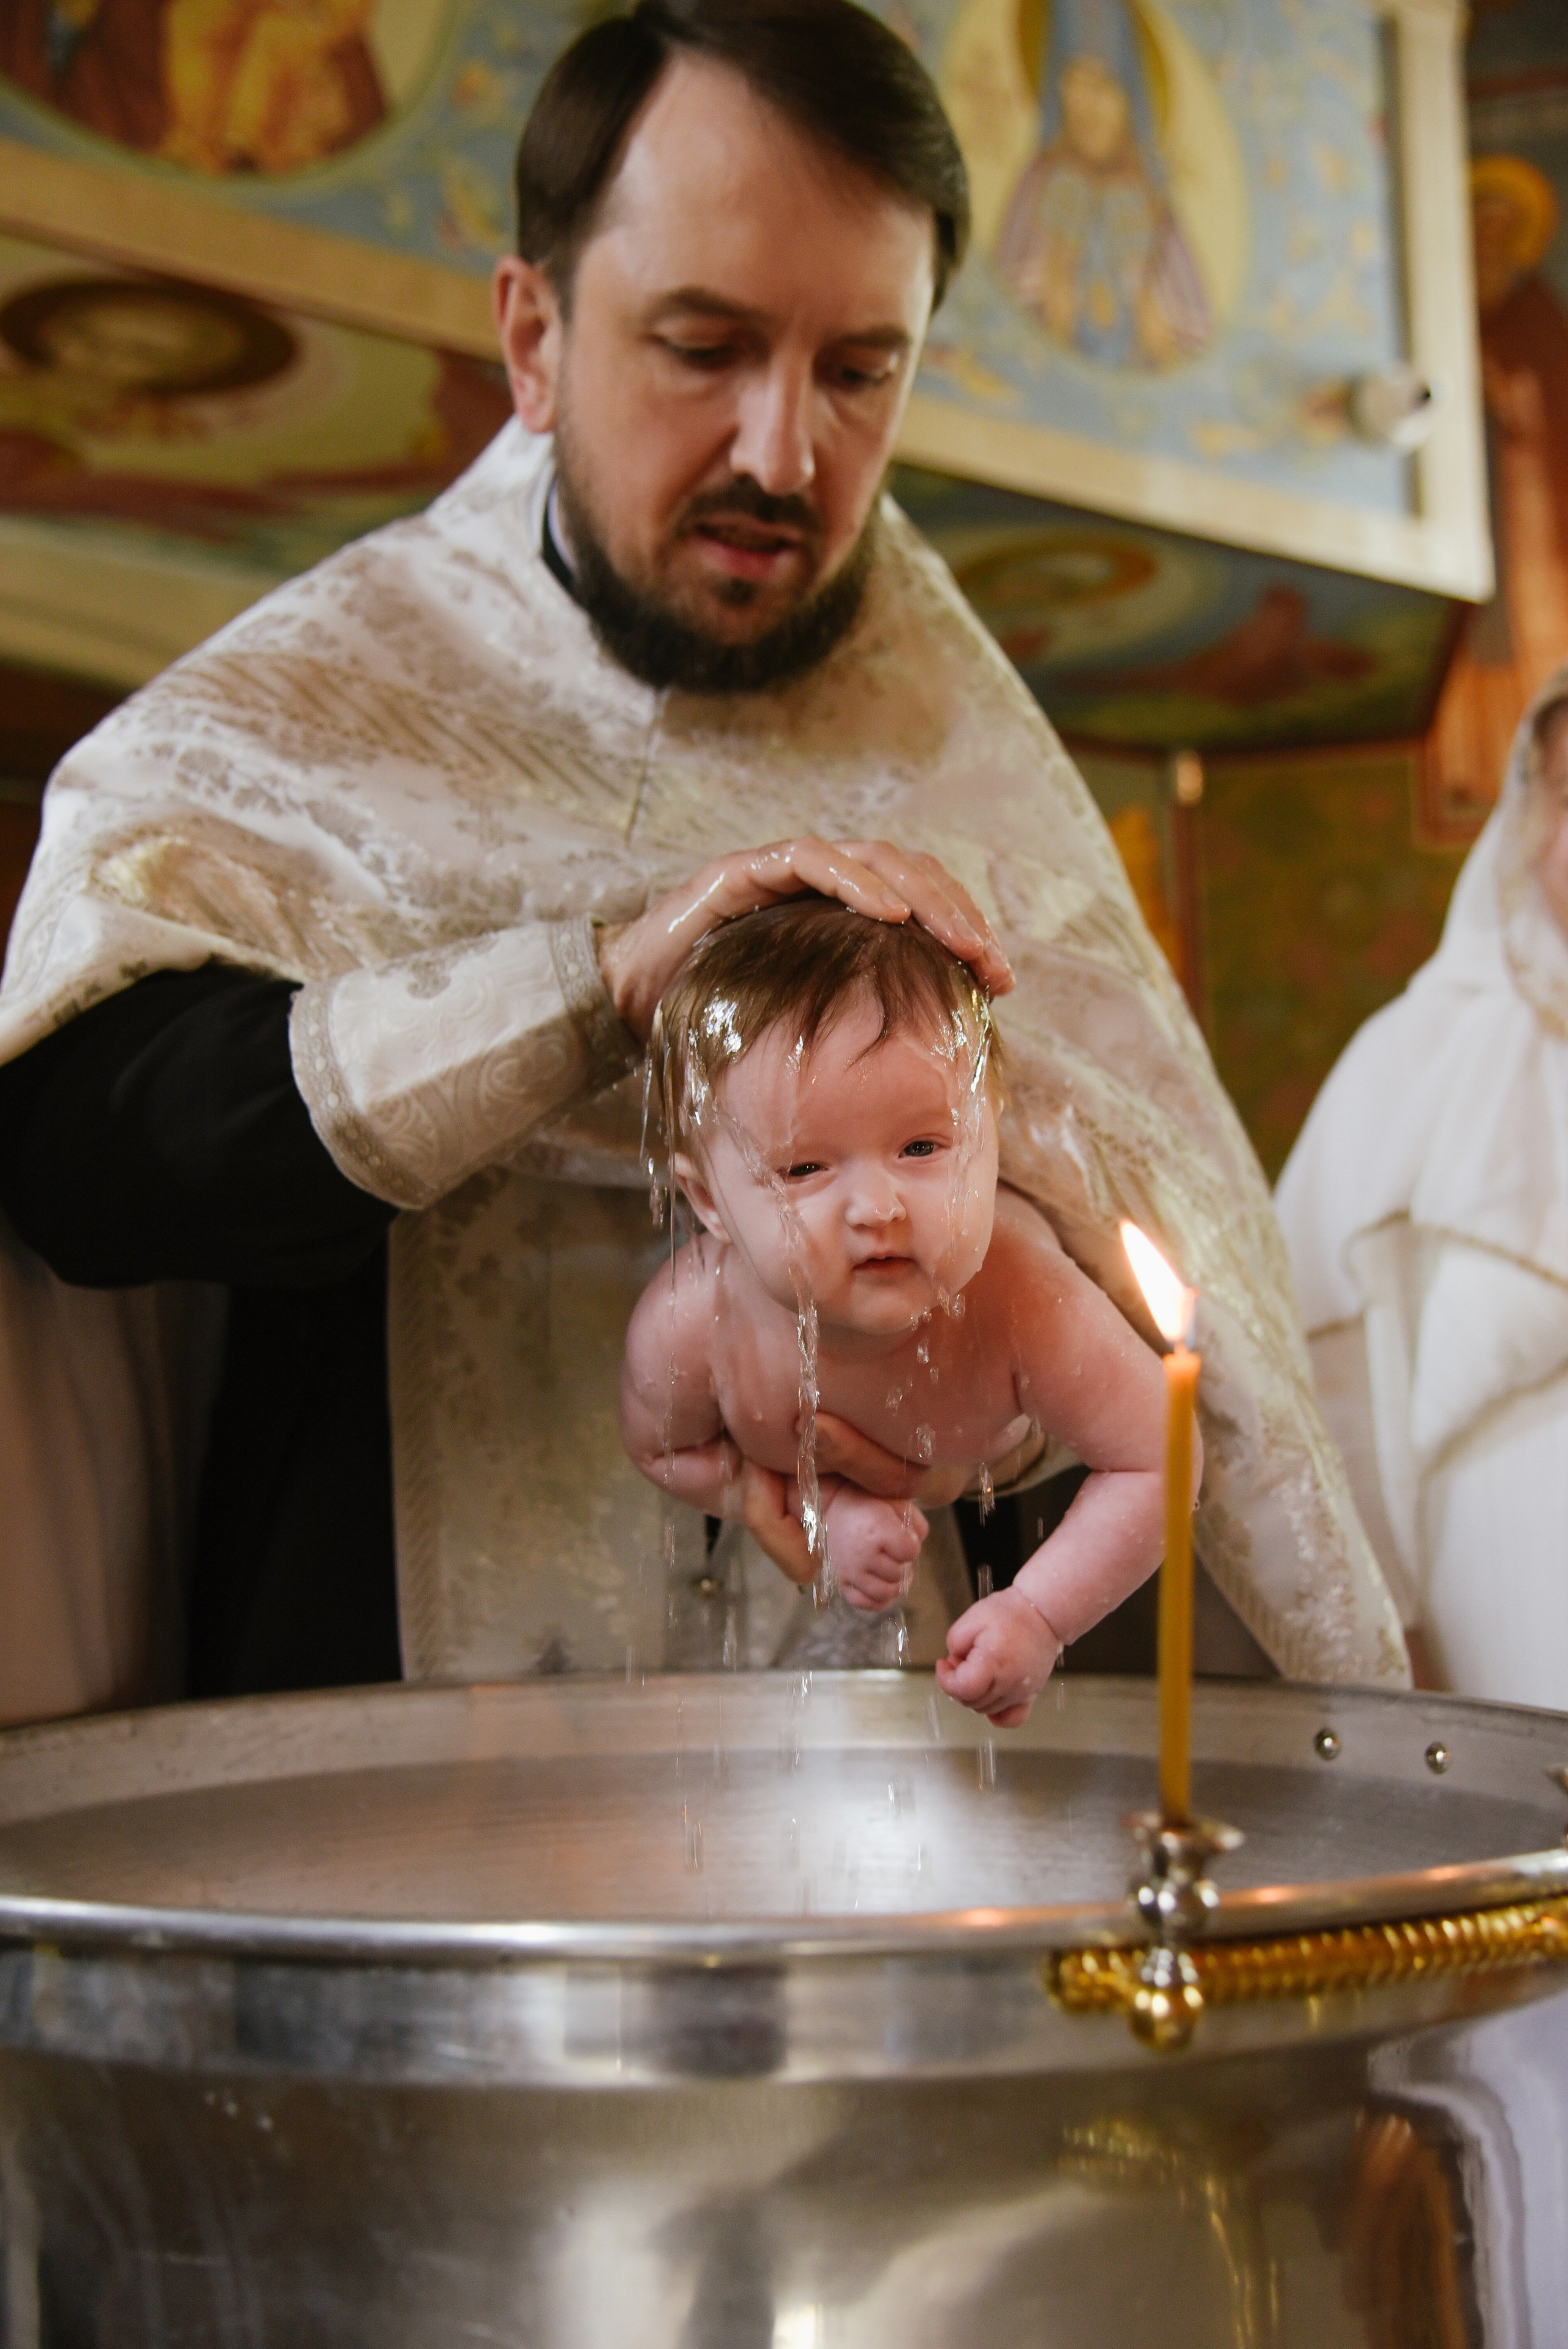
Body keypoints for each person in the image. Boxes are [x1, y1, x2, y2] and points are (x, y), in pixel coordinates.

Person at [0, 0, 1403, 1725]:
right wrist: (587, 989)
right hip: (398, 1772)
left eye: (859, 369)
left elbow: (1164, 1307)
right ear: (532, 335)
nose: (782, 453)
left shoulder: (974, 764)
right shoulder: (316, 706)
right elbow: (82, 1167)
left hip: (895, 1773)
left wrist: (1014, 1399)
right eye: (703, 344)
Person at [622, 899, 1172, 1725]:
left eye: (923, 1147)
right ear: (706, 1201)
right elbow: (662, 1451)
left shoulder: (1026, 1302)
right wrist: (808, 1505)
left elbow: (1163, 1454)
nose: (878, 1207)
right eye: (804, 1167)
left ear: (993, 1131)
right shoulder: (692, 1324)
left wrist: (1041, 1613)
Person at [1276, 669, 1568, 1707]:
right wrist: (1386, 1637)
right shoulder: (1419, 1054)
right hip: (1506, 1589)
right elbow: (1325, 1374)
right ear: (1532, 818)